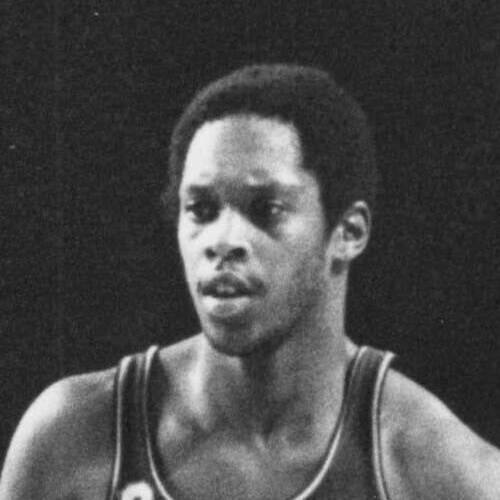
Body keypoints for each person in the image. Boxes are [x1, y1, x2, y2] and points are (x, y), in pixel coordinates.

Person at [1, 64, 499, 500]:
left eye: (266, 209)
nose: (223, 241)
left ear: (348, 232)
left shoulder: (434, 466)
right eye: (201, 209)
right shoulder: (75, 439)